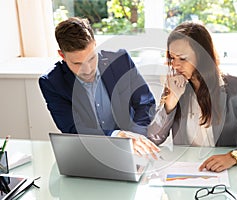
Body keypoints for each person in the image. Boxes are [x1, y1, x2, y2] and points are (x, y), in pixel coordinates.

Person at [147, 21, 237, 172]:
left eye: (183, 58)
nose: (175, 65)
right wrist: (171, 101)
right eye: (172, 58)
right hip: (187, 172)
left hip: (228, 173)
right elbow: (153, 139)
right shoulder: (175, 86)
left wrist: (233, 156)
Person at [39, 17, 159, 156]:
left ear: (95, 44)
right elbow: (72, 129)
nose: (88, 69)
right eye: (77, 64)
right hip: (90, 154)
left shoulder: (120, 61)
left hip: (132, 153)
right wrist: (116, 136)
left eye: (91, 58)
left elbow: (145, 102)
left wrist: (135, 137)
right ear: (62, 55)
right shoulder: (52, 83)